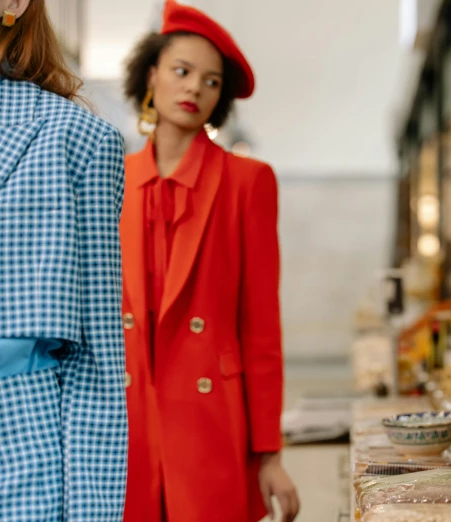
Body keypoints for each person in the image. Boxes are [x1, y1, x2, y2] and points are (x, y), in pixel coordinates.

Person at [0, 1, 127, 520]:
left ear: (14, 3)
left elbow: (97, 358)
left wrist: (93, 512)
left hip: (19, 447)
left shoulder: (74, 139)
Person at [121, 2, 299, 521]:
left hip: (211, 425)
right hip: (127, 421)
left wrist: (270, 453)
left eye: (211, 81)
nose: (195, 88)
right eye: (182, 71)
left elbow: (261, 326)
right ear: (151, 75)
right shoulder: (113, 177)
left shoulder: (248, 182)